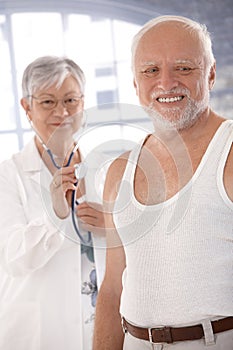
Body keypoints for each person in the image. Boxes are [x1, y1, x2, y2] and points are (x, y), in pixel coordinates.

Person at [93, 15, 233, 350]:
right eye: (151, 70)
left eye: (184, 68)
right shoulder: (119, 171)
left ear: (211, 74)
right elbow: (112, 289)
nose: (166, 83)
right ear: (135, 83)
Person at [0, 56, 106, 350]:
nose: (62, 112)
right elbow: (13, 259)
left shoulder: (106, 170)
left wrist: (114, 227)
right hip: (35, 334)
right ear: (27, 107)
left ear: (83, 103)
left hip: (99, 329)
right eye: (48, 102)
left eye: (71, 100)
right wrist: (55, 214)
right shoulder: (8, 176)